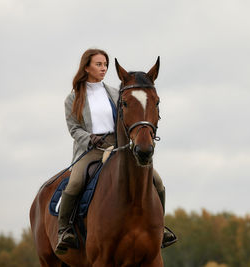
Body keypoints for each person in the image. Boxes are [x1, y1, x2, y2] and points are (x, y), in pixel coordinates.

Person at [55, 48, 176, 255]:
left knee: (156, 180)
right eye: (98, 64)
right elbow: (74, 128)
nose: (103, 69)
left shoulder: (114, 92)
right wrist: (89, 138)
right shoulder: (73, 98)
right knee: (75, 182)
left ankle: (160, 228)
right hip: (92, 149)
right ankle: (64, 229)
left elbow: (126, 117)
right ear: (86, 67)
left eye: (105, 65)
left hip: (119, 146)